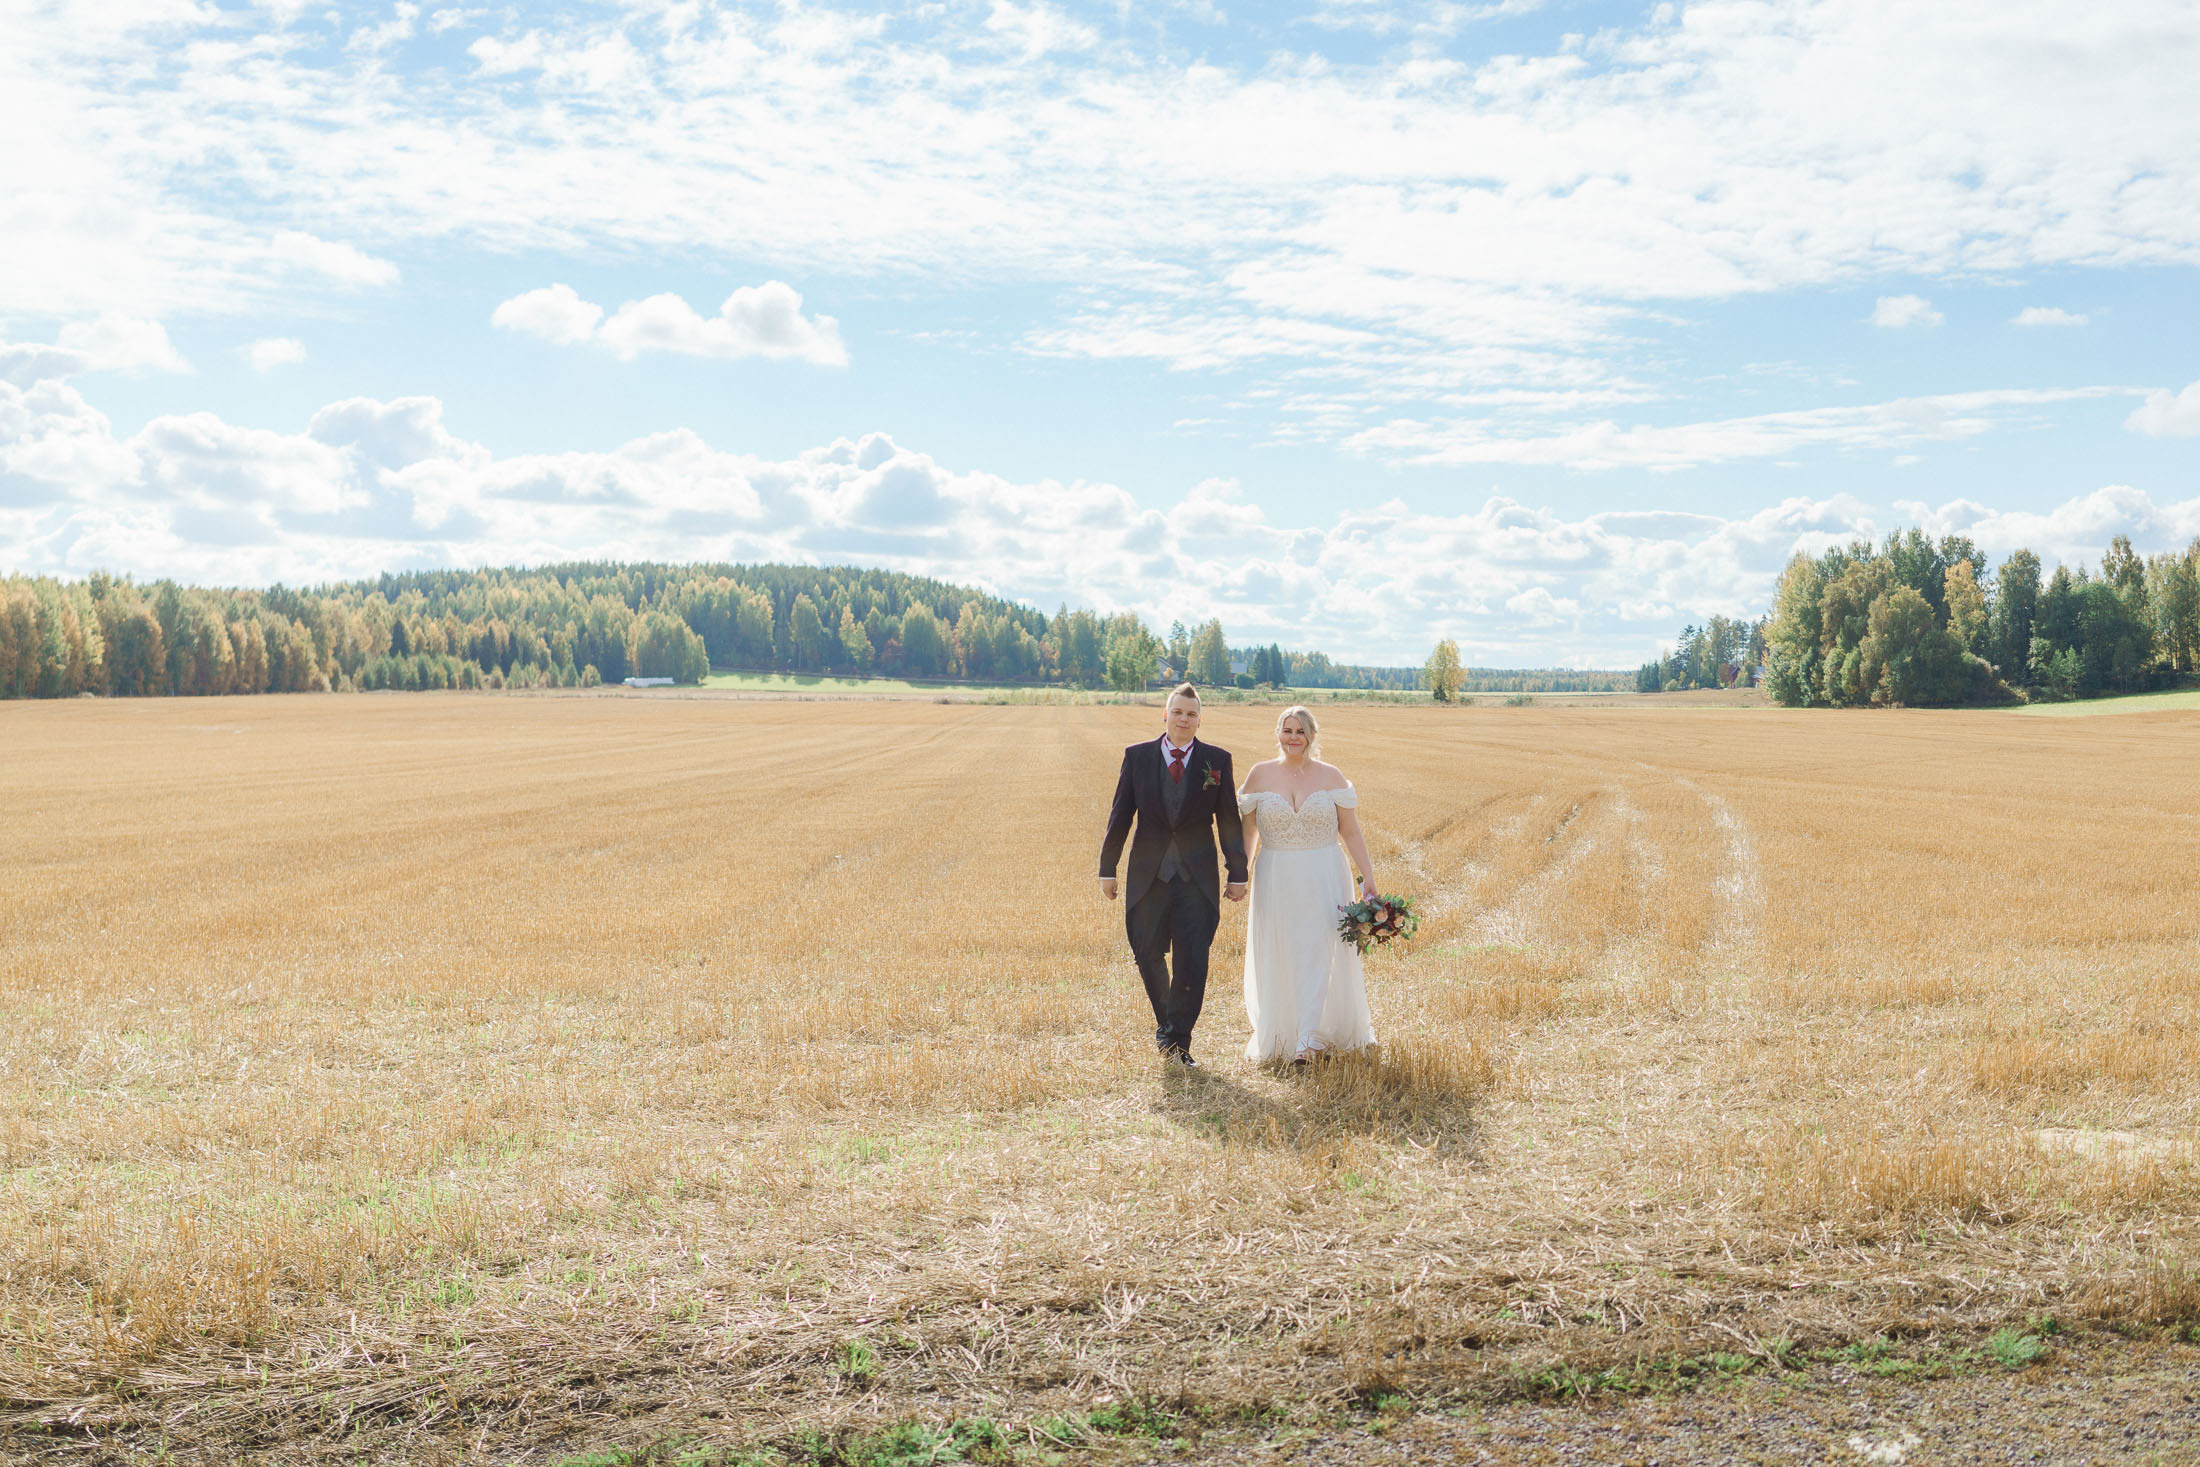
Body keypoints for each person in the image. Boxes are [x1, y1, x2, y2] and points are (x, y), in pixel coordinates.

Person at [1098, 684, 1248, 1066]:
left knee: (1192, 960)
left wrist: (1238, 871)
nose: (1184, 719)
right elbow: (1120, 815)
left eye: (1191, 714)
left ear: (1200, 720)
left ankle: (1178, 1041)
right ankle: (1169, 1022)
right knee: (1146, 951)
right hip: (1149, 874)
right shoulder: (1138, 757)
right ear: (1165, 715)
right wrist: (1107, 868)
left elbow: (1229, 820)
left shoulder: (1217, 760)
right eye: (1178, 712)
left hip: (1197, 879)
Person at [1236, 705, 1377, 1063]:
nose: (1293, 738)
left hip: (1324, 872)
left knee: (1319, 948)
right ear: (1278, 734)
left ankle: (1308, 1039)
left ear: (1312, 736)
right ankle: (1289, 1029)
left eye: (1300, 732)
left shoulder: (1331, 776)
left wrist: (1368, 877)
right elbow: (1249, 832)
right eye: (1287, 731)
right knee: (1283, 949)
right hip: (1276, 875)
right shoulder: (1259, 775)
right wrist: (1240, 873)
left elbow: (1351, 831)